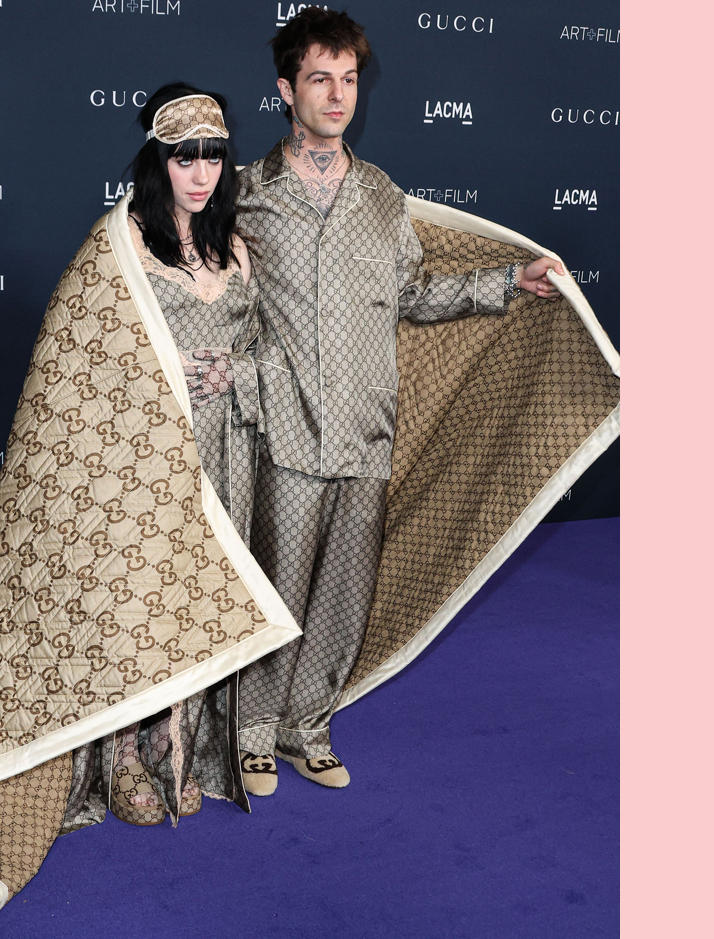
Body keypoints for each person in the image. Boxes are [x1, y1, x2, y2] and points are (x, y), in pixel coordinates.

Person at [235, 8, 567, 796]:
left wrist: (503, 283)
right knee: (274, 583)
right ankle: (249, 730)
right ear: (286, 90)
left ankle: (305, 724)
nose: (338, 95)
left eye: (349, 79)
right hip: (284, 423)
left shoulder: (384, 197)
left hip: (367, 423)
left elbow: (412, 292)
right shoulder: (245, 193)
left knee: (345, 587)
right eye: (320, 79)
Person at [107, 83, 262, 826]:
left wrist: (238, 370)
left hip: (226, 451)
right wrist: (168, 370)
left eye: (213, 155)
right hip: (149, 454)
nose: (200, 172)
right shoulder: (124, 241)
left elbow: (263, 342)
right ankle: (122, 755)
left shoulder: (234, 243)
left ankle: (181, 743)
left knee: (199, 601)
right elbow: (94, 351)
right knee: (143, 601)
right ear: (158, 160)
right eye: (183, 157)